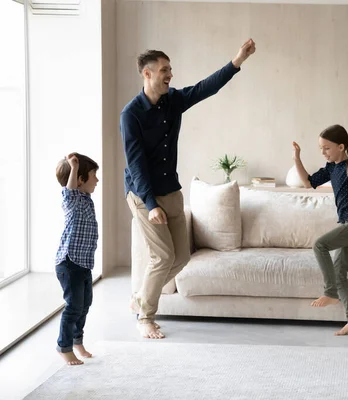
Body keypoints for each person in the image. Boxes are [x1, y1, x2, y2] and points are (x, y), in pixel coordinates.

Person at [121, 39, 256, 339]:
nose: (170, 74)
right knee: (162, 258)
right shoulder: (131, 115)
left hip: (170, 189)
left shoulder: (173, 101)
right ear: (147, 74)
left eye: (170, 69)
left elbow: (206, 88)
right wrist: (150, 203)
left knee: (181, 257)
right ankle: (146, 317)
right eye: (164, 69)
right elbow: (135, 164)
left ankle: (142, 296)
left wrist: (237, 61)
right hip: (144, 195)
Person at [292, 124, 348, 336]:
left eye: (327, 148)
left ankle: (330, 292)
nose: (323, 152)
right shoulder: (332, 168)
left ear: (341, 146)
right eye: (321, 148)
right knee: (339, 273)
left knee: (320, 245)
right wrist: (297, 158)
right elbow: (308, 182)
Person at [54, 152, 100, 365]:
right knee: (73, 306)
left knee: (85, 304)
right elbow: (70, 190)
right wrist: (73, 167)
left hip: (83, 264)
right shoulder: (72, 200)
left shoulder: (85, 199)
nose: (97, 180)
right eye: (93, 175)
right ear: (80, 179)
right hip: (69, 263)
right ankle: (64, 347)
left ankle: (76, 341)